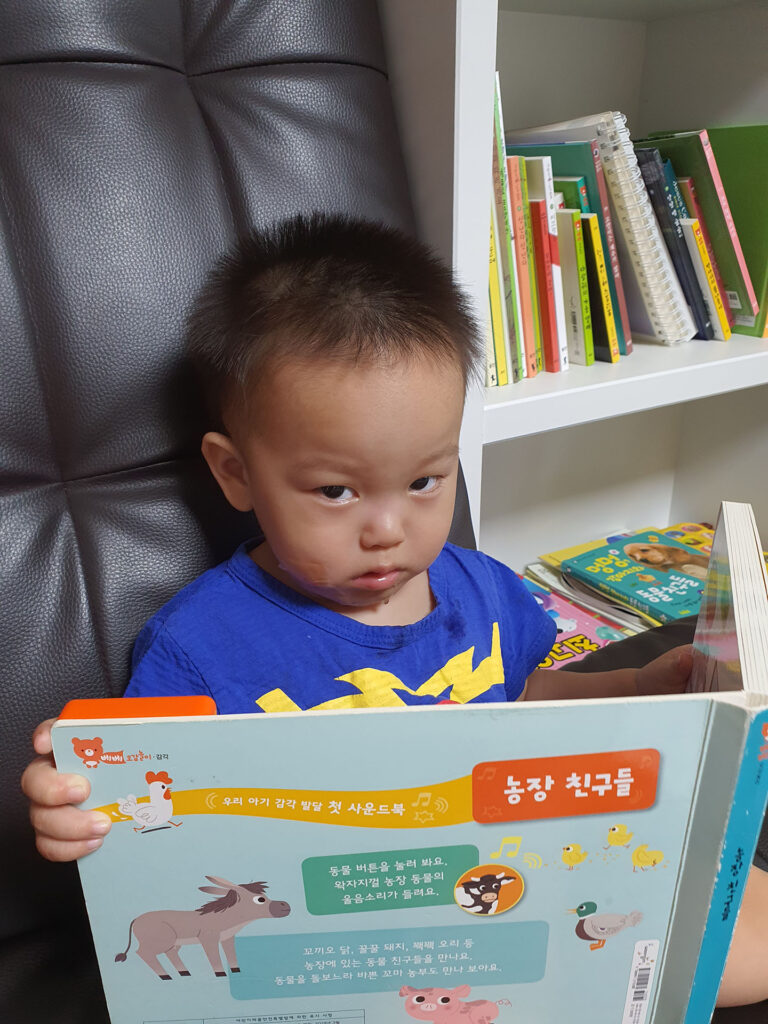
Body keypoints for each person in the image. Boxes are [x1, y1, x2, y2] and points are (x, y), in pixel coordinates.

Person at [20, 214, 768, 1007]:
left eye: (424, 481)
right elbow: (144, 799)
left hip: (504, 870)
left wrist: (640, 686)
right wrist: (77, 808)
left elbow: (523, 700)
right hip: (342, 918)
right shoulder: (201, 647)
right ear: (236, 474)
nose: (387, 530)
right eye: (335, 490)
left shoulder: (483, 589)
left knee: (745, 929)